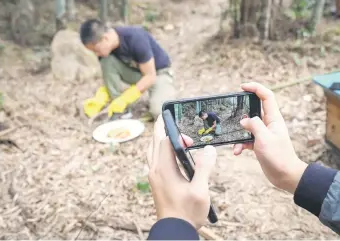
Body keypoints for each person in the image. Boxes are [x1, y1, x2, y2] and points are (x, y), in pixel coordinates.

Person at [147, 82, 340, 240]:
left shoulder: (212, 116)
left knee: (214, 132)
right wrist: (291, 172)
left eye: (204, 115)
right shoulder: (203, 119)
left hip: (219, 126)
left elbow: (214, 124)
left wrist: (175, 224)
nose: (204, 116)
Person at [79, 19, 176, 119]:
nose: (97, 54)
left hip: (158, 74)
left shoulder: (135, 38)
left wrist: (125, 99)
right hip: (138, 74)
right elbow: (110, 76)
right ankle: (119, 109)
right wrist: (100, 98)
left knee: (160, 113)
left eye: (96, 50)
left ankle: (161, 94)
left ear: (105, 38)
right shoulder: (105, 53)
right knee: (106, 61)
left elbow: (150, 76)